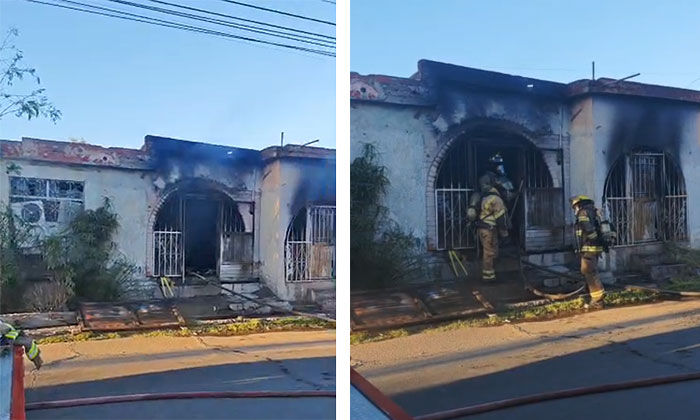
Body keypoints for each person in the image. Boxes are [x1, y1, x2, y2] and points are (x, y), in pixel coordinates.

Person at [570, 195, 609, 308]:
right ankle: (591, 296)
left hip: (589, 248)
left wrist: (591, 240)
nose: (575, 209)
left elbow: (588, 229)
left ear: (580, 204)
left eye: (575, 206)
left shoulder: (583, 213)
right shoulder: (593, 212)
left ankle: (597, 300)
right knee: (589, 271)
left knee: (589, 271)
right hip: (594, 248)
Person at [478, 181, 509, 282]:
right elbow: (500, 218)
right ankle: (488, 277)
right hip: (488, 230)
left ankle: (492, 272)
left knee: (492, 251)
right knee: (489, 253)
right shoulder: (496, 199)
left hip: (485, 229)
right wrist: (504, 234)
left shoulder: (486, 197)